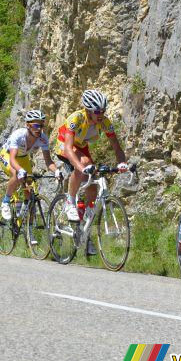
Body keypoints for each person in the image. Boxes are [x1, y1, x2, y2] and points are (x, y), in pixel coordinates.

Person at [54, 90, 129, 254]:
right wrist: (81, 168)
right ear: (88, 110)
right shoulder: (76, 118)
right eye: (97, 111)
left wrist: (122, 163)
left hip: (81, 147)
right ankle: (69, 200)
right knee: (86, 165)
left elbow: (116, 147)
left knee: (93, 185)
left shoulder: (105, 122)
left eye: (103, 111)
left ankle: (84, 229)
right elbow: (68, 148)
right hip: (64, 146)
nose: (101, 114)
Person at [0, 110, 61, 226]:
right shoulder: (19, 135)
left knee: (31, 192)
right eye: (36, 125)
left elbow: (48, 161)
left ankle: (28, 229)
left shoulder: (43, 138)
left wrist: (57, 171)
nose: (39, 129)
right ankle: (6, 202)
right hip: (7, 156)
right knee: (16, 174)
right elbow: (12, 159)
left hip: (23, 158)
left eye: (41, 126)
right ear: (27, 125)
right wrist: (21, 170)